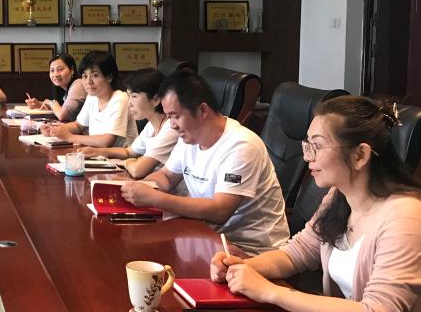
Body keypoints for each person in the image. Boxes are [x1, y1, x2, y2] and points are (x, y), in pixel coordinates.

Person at [211, 96, 421, 312]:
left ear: (360, 155)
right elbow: (298, 253)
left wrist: (271, 292)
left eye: (318, 146)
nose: (307, 157)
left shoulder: (408, 216)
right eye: (307, 145)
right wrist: (243, 267)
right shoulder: (339, 196)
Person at [121, 71, 289, 256]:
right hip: (207, 236)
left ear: (202, 110)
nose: (172, 125)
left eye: (175, 116)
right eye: (169, 117)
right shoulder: (189, 137)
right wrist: (142, 187)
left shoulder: (241, 145)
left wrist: (155, 198)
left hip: (252, 250)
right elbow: (167, 176)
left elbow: (220, 210)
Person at [77, 68, 179, 179]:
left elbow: (138, 170)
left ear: (155, 100)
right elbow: (128, 152)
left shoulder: (170, 128)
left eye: (134, 96)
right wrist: (97, 152)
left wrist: (127, 162)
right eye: (129, 96)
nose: (129, 103)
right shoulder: (151, 125)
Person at [42, 51, 136, 147]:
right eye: (85, 76)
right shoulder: (92, 97)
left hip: (119, 156)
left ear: (109, 77)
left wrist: (70, 137)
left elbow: (107, 141)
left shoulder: (120, 98)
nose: (88, 82)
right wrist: (54, 130)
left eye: (95, 75)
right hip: (97, 153)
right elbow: (79, 125)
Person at [24, 54, 86, 121]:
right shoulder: (64, 90)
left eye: (60, 69)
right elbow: (61, 109)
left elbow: (63, 115)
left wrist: (52, 103)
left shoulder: (78, 84)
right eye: (52, 70)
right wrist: (39, 104)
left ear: (72, 70)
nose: (55, 74)